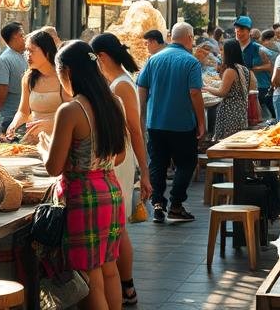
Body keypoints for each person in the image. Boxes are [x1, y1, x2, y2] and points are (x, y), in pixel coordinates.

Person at [45, 41, 128, 310]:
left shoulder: (70, 111)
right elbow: (119, 156)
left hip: (83, 198)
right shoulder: (114, 102)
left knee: (89, 276)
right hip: (111, 193)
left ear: (66, 71)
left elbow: (53, 167)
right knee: (110, 269)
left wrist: (44, 146)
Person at [90, 34, 152, 307]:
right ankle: (123, 286)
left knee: (118, 226)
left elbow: (136, 131)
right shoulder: (116, 82)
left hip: (122, 160)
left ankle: (126, 285)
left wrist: (145, 172)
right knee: (117, 225)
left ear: (102, 57)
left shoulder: (122, 86)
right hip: (117, 157)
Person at [136, 22, 205, 224]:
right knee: (186, 162)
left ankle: (157, 204)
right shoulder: (191, 62)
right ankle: (176, 204)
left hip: (155, 122)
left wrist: (143, 115)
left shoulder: (153, 59)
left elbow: (141, 87)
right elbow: (194, 93)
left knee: (157, 163)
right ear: (190, 38)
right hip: (182, 124)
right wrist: (201, 121)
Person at [5, 30, 68, 146]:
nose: (27, 55)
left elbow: (72, 116)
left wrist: (48, 124)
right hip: (33, 139)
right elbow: (23, 111)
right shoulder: (28, 78)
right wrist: (14, 124)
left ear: (47, 52)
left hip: (59, 139)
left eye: (32, 50)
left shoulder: (63, 77)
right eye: (26, 50)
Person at [207, 38, 251, 141]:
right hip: (241, 111)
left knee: (227, 144)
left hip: (230, 112)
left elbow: (222, 92)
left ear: (228, 52)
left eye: (223, 50)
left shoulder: (231, 70)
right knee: (238, 144)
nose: (221, 53)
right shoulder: (243, 68)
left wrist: (206, 88)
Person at [234, 16, 273, 120]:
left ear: (249, 32)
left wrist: (253, 69)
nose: (239, 32)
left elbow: (270, 66)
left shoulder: (258, 48)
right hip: (242, 89)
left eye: (242, 29)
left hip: (260, 88)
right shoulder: (234, 47)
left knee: (260, 121)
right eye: (237, 29)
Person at [0, 22, 28, 134]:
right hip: (9, 117)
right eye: (22, 35)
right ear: (15, 36)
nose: (25, 38)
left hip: (26, 115)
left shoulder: (26, 56)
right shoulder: (5, 59)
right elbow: (3, 88)